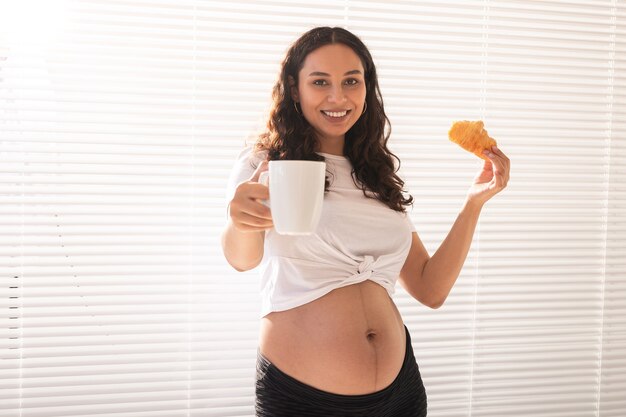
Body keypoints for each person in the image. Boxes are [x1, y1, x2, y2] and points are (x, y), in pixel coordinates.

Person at [222, 26, 510, 417]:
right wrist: (240, 222)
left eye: (351, 81)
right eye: (320, 81)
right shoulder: (265, 164)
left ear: (366, 88)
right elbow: (242, 259)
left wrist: (474, 203)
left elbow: (430, 289)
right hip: (305, 398)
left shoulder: (375, 177)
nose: (338, 97)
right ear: (294, 89)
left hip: (401, 393)